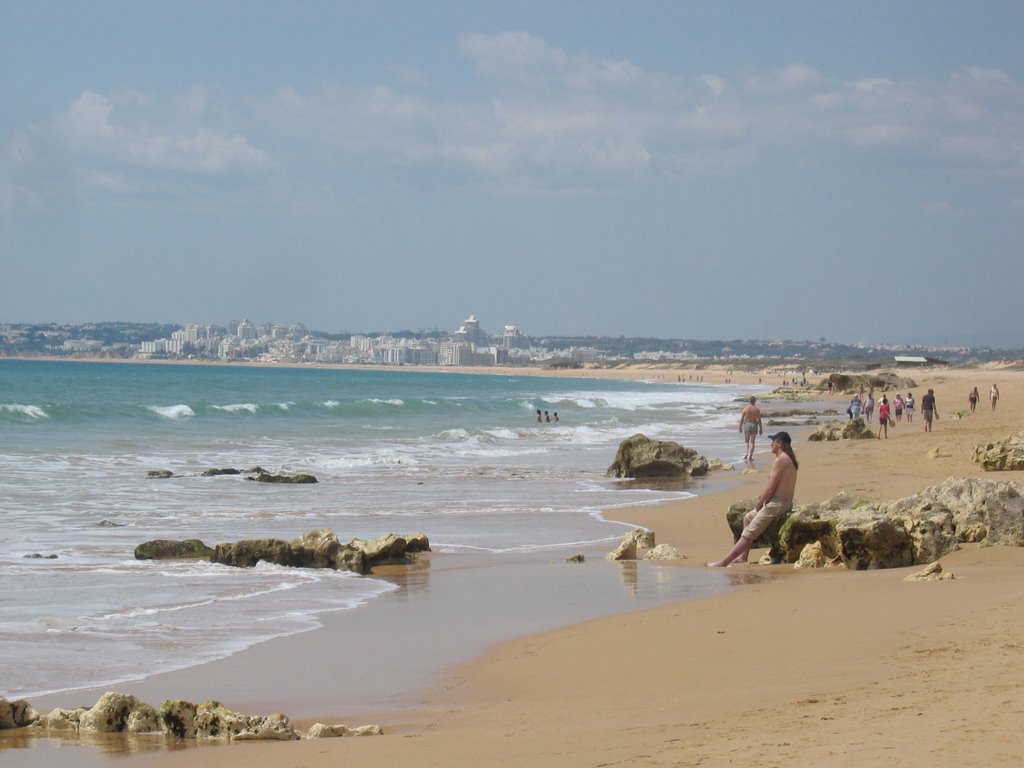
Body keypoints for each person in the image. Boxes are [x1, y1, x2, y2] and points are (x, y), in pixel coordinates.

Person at [705, 432, 798, 567]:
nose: (770, 444)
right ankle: (743, 557)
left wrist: (760, 503)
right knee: (747, 518)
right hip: (783, 502)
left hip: (777, 504)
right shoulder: (788, 459)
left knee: (749, 533)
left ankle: (723, 562)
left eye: (773, 441)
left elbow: (770, 489)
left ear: (779, 444)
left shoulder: (781, 460)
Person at [739, 396, 763, 462]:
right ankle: (750, 456)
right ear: (755, 401)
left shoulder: (745, 409)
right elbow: (759, 420)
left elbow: (742, 419)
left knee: (746, 441)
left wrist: (740, 427)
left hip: (747, 424)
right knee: (752, 442)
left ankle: (747, 453)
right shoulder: (757, 410)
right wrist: (761, 429)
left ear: (749, 401)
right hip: (754, 424)